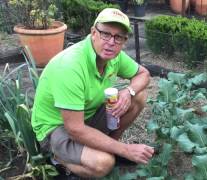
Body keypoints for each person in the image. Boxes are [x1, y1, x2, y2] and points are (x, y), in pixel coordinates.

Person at [31, 8, 154, 178]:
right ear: (93, 33)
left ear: (124, 41)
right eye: (105, 34)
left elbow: (144, 74)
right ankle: (58, 158)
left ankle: (110, 147)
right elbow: (74, 129)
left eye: (118, 37)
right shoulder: (70, 66)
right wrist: (127, 150)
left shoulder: (114, 56)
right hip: (57, 128)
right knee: (103, 164)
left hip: (86, 117)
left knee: (138, 96)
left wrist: (128, 92)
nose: (111, 42)